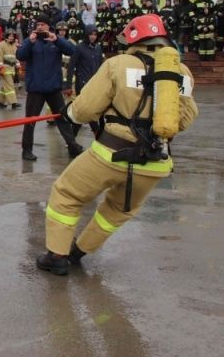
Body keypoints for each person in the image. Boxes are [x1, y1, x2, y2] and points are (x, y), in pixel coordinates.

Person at [36, 14, 198, 275]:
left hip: (111, 153)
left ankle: (57, 255)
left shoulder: (118, 64)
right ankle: (78, 252)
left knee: (66, 194)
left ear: (132, 39)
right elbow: (187, 118)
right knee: (118, 210)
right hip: (155, 162)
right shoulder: (182, 72)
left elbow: (87, 108)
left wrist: (70, 114)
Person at [17, 15, 83, 161]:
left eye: (43, 24)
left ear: (48, 26)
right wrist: (30, 41)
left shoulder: (55, 41)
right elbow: (20, 55)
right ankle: (26, 150)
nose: (40, 27)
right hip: (36, 88)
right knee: (30, 121)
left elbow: (72, 51)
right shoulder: (31, 41)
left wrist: (57, 40)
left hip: (53, 87)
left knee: (62, 119)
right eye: (38, 24)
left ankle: (72, 146)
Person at [64, 25, 103, 137]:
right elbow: (71, 67)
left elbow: (101, 67)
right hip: (82, 83)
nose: (93, 37)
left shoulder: (98, 48)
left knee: (84, 111)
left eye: (95, 34)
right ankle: (97, 134)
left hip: (94, 83)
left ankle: (72, 137)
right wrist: (68, 85)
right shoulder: (79, 48)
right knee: (87, 109)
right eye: (91, 34)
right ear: (87, 35)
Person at [0, 28, 20, 110]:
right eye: (10, 36)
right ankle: (13, 102)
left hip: (12, 69)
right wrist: (1, 67)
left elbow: (15, 56)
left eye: (13, 36)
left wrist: (17, 63)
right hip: (4, 69)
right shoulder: (1, 45)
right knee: (10, 86)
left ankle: (0, 101)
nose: (11, 37)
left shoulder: (14, 45)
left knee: (4, 86)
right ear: (6, 36)